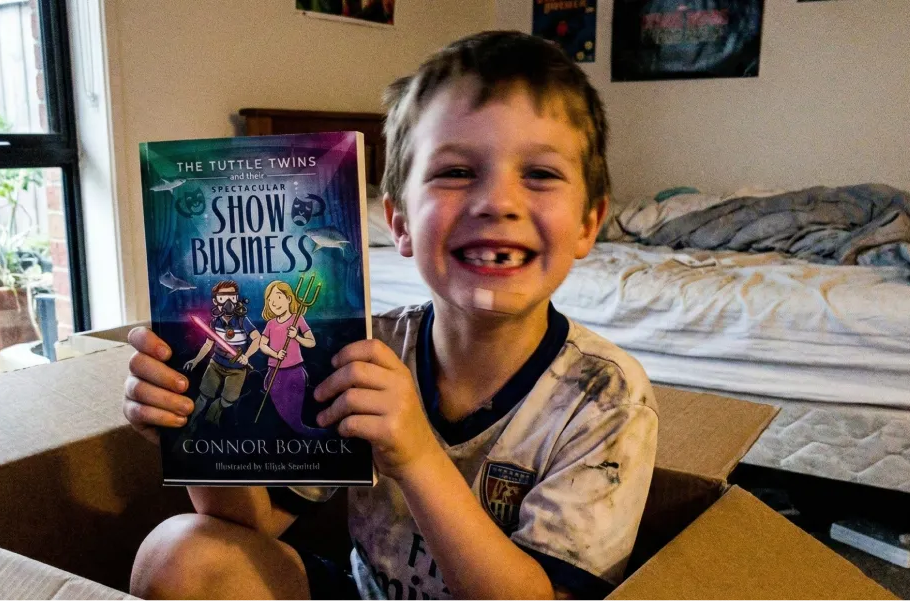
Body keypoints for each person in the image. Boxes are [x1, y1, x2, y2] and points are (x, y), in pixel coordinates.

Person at [122, 31, 658, 601]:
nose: (497, 202)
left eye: (541, 174)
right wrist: (196, 426)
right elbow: (252, 530)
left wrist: (418, 455)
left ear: (588, 223)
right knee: (180, 554)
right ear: (398, 222)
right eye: (455, 171)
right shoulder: (365, 350)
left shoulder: (607, 398)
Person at [181, 280, 261, 428]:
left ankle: (213, 416)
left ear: (237, 299)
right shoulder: (214, 322)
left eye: (232, 297)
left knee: (228, 401)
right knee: (203, 396)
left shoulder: (243, 321)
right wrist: (196, 360)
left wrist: (246, 356)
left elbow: (257, 339)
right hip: (216, 363)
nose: (228, 302)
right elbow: (208, 343)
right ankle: (190, 424)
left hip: (237, 369)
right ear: (216, 301)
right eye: (223, 298)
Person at [258, 279, 326, 437]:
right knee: (280, 413)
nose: (274, 303)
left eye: (278, 297)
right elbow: (262, 344)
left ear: (289, 299)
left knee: (292, 415)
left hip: (294, 372)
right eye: (270, 300)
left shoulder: (298, 319)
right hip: (274, 372)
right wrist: (275, 354)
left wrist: (297, 336)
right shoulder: (270, 324)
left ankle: (304, 432)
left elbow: (311, 342)